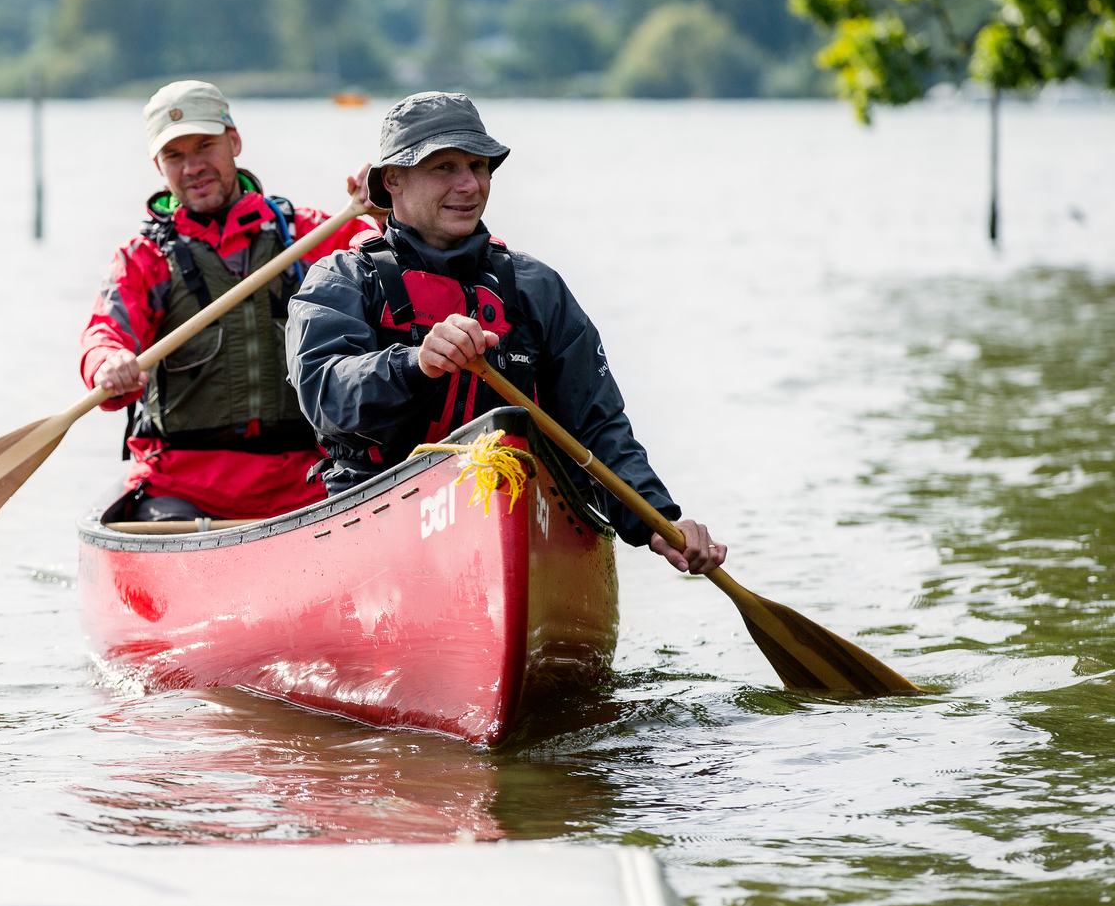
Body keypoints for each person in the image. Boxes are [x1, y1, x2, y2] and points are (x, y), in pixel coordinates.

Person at [286, 91, 726, 574]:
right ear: (393, 180)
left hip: (514, 503)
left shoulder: (537, 288)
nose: (469, 185)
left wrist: (658, 520)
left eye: (478, 166)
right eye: (444, 167)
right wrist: (416, 363)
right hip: (375, 512)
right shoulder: (341, 280)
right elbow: (325, 393)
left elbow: (596, 425)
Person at [78, 80, 378, 521]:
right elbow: (105, 334)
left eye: (205, 146)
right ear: (158, 166)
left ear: (233, 142)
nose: (192, 167)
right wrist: (108, 363)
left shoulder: (309, 236)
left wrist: (389, 214)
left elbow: (400, 262)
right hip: (180, 488)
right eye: (174, 155)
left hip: (308, 480)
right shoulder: (144, 260)